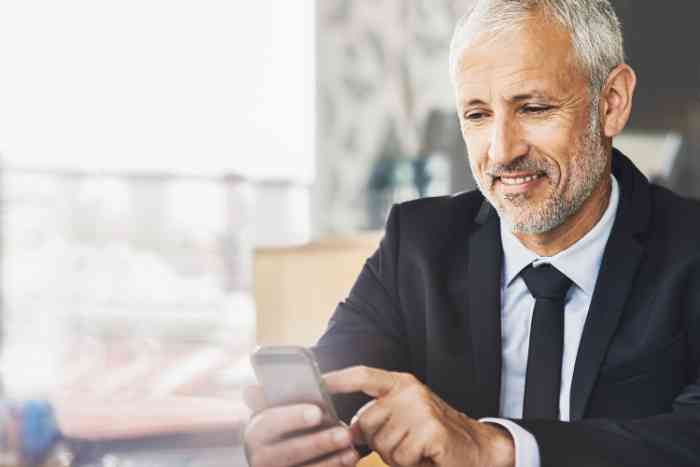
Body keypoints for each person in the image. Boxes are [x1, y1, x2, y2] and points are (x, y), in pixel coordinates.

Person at [244, 1, 700, 466]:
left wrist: (498, 449)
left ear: (611, 103)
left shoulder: (690, 249)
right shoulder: (418, 243)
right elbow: (339, 381)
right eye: (477, 115)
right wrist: (293, 434)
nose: (502, 152)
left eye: (535, 108)